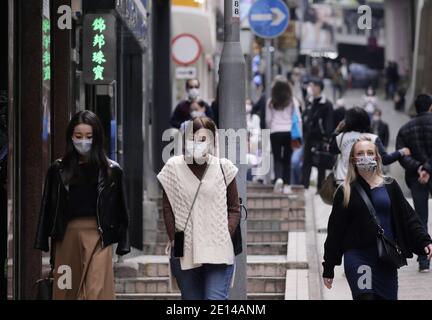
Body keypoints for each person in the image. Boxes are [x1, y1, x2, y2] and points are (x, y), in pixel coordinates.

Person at [34, 110, 130, 300]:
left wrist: (123, 242)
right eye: (78, 136)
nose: (83, 141)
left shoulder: (111, 170)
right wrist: (43, 239)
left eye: (89, 136)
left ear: (97, 138)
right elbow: (48, 206)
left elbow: (121, 208)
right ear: (71, 137)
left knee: (96, 291)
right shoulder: (58, 169)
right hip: (66, 237)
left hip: (99, 236)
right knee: (66, 290)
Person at [323, 136, 432, 300]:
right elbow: (335, 231)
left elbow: (408, 217)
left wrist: (424, 241)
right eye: (360, 153)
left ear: (377, 157)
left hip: (386, 259)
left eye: (369, 152)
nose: (365, 156)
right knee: (365, 297)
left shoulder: (390, 185)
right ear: (353, 159)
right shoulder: (344, 191)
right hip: (358, 258)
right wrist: (329, 266)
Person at [157, 116, 240, 300]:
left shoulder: (224, 167)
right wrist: (173, 238)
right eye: (192, 139)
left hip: (218, 246)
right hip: (185, 247)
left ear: (211, 141)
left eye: (203, 140)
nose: (197, 144)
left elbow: (234, 207)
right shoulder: (173, 167)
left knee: (215, 299)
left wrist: (226, 231)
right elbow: (167, 207)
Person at [396, 94, 432, 272]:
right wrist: (428, 168)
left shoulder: (405, 129)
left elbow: (402, 156)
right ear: (430, 107)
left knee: (421, 218)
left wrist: (419, 168)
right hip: (426, 173)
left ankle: (424, 261)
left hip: (416, 178)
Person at [330, 107, 410, 185]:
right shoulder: (373, 138)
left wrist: (337, 130)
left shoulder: (341, 137)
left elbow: (331, 150)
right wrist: (401, 152)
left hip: (343, 182)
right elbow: (385, 160)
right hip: (364, 183)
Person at [266, 77, 302, 192]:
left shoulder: (270, 102)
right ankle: (287, 185)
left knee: (277, 158)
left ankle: (278, 179)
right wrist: (299, 133)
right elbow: (298, 118)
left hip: (275, 132)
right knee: (287, 159)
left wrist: (271, 129)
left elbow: (268, 119)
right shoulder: (292, 101)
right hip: (289, 132)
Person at [302, 78, 334, 189]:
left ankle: (320, 188)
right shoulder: (309, 101)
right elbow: (305, 117)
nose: (311, 89)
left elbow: (329, 122)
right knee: (306, 162)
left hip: (321, 138)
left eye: (313, 86)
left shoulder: (327, 104)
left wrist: (327, 138)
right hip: (309, 137)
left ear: (319, 88)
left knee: (321, 164)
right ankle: (304, 186)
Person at [246, 98, 261, 181]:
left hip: (253, 144)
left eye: (249, 104)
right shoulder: (241, 117)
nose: (247, 106)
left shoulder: (255, 118)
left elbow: (257, 132)